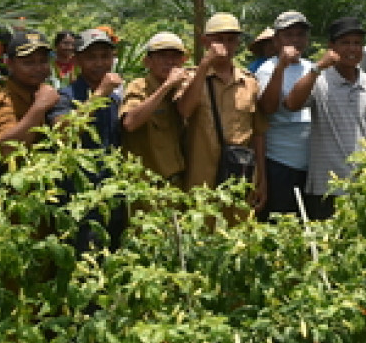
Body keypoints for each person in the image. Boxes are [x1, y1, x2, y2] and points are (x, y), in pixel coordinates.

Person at [285, 17, 366, 220]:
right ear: (332, 46)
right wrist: (317, 67)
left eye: (357, 43)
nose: (352, 48)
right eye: (345, 42)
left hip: (364, 186)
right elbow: (292, 104)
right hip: (326, 187)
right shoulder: (318, 80)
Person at [178, 14, 266, 207]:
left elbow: (258, 134)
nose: (225, 45)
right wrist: (205, 64)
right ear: (205, 41)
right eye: (218, 39)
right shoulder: (191, 78)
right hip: (201, 179)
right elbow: (184, 110)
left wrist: (262, 180)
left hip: (240, 176)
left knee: (239, 232)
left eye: (231, 39)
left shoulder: (249, 82)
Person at [255, 11, 315, 219]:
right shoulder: (266, 69)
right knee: (281, 222)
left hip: (310, 163)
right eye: (289, 35)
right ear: (277, 40)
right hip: (280, 162)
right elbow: (268, 108)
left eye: (300, 34)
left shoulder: (311, 68)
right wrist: (281, 67)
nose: (295, 40)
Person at [120, 32, 192, 187]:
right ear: (148, 61)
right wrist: (166, 87)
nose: (169, 62)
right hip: (146, 186)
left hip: (178, 183)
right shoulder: (138, 86)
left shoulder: (184, 88)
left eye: (175, 56)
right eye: (162, 56)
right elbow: (130, 123)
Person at [0, 30, 60, 155]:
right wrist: (39, 108)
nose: (38, 68)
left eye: (43, 61)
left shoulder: (49, 92)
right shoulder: (3, 100)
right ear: (10, 64)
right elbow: (6, 149)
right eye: (28, 63)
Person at [51, 28, 124, 152]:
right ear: (76, 61)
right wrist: (99, 94)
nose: (99, 63)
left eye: (105, 56)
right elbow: (62, 134)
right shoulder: (65, 97)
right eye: (91, 57)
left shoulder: (114, 98)